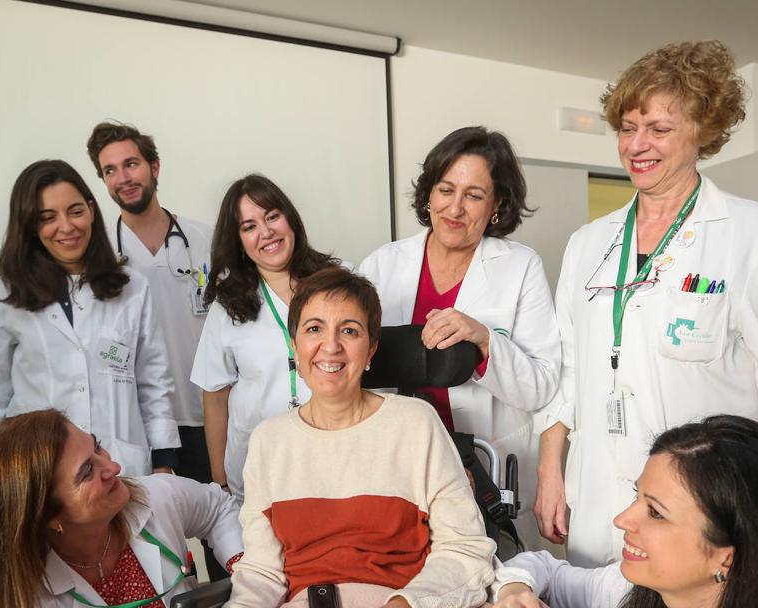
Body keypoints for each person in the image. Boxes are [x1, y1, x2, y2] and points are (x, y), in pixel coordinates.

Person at [534, 40, 758, 567]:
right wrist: (551, 471)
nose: (637, 145)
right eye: (627, 127)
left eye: (659, 129)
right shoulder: (588, 243)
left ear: (703, 134)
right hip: (598, 486)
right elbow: (567, 369)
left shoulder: (753, 233)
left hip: (705, 498)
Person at [226, 266, 496, 608]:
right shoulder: (269, 441)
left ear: (370, 351)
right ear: (294, 346)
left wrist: (405, 604)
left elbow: (464, 550)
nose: (331, 346)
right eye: (314, 329)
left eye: (349, 331)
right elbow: (262, 574)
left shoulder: (415, 424)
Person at [358, 126, 561, 547]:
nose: (455, 207)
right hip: (402, 462)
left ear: (497, 205)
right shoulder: (382, 265)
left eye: (473, 195)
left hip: (484, 464)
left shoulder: (520, 267)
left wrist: (486, 342)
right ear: (428, 194)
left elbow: (542, 386)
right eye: (445, 189)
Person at [492, 415, 758, 608]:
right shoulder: (629, 590)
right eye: (636, 496)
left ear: (726, 558)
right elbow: (544, 569)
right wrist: (514, 590)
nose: (623, 519)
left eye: (655, 512)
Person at [0, 159, 180, 476]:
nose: (66, 227)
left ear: (91, 211)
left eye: (75, 211)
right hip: (41, 469)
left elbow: (154, 383)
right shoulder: (9, 292)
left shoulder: (132, 287)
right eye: (47, 217)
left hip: (120, 465)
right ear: (30, 226)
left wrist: (164, 465)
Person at [87, 121, 223, 579]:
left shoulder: (206, 240)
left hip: (211, 417)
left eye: (131, 164)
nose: (123, 177)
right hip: (143, 428)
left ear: (154, 167)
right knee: (152, 552)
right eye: (110, 170)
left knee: (226, 539)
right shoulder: (97, 256)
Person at [0, 409, 244, 608]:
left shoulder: (153, 497)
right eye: (87, 471)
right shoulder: (24, 596)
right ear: (48, 516)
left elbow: (218, 508)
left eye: (96, 446)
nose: (113, 466)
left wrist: (246, 571)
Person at [190, 174, 340, 503]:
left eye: (272, 216)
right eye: (249, 226)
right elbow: (214, 394)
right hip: (258, 470)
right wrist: (220, 482)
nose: (266, 232)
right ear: (239, 241)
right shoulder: (228, 305)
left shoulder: (339, 284)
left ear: (290, 219)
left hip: (334, 460)